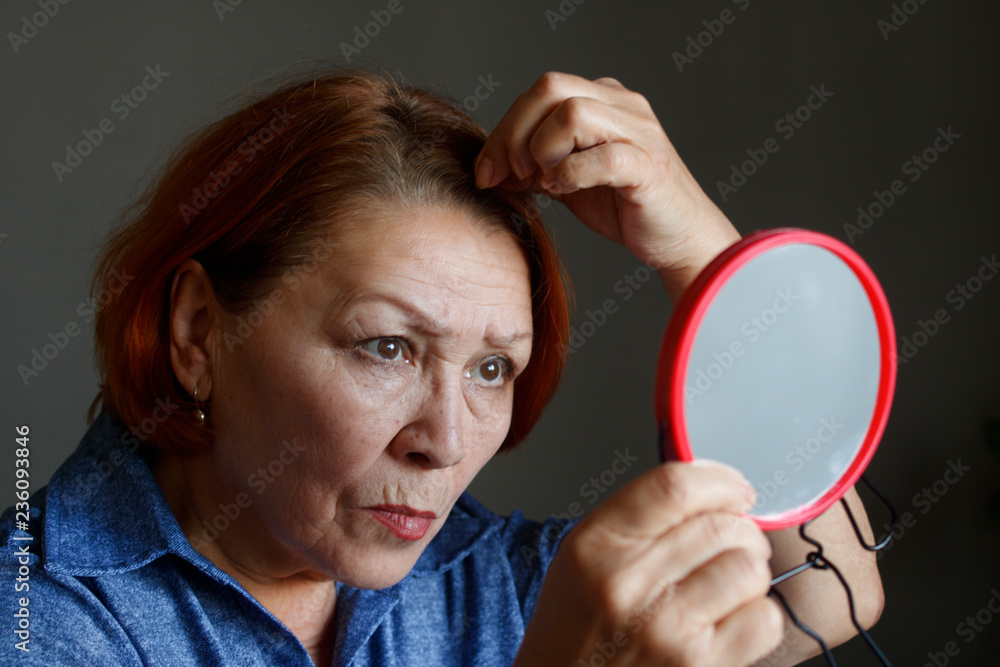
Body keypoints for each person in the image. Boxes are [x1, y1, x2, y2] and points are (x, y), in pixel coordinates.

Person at [1, 67, 883, 666]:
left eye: (494, 368)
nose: (447, 443)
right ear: (199, 331)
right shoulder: (40, 615)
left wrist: (702, 258)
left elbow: (830, 589)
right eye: (387, 347)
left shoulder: (490, 578)